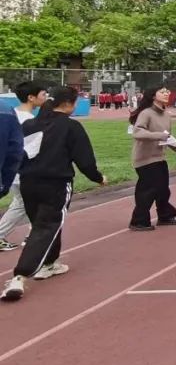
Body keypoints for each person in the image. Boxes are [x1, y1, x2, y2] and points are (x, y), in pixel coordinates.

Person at [2, 87, 108, 302]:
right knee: (45, 227)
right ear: (68, 104)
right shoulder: (71, 127)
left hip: (28, 183)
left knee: (44, 225)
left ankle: (50, 263)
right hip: (56, 183)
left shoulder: (30, 125)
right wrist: (98, 178)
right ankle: (20, 276)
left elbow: (18, 153)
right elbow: (85, 160)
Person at [129, 86, 176, 231]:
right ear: (153, 96)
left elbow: (168, 137)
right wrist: (159, 135)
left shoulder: (166, 115)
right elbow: (137, 132)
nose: (166, 93)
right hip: (145, 159)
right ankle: (138, 221)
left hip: (159, 158)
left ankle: (165, 215)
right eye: (162, 92)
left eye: (167, 91)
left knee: (163, 190)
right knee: (147, 191)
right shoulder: (146, 113)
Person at [0, 82, 48, 251]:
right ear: (31, 97)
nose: (46, 97)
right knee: (39, 203)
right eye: (43, 94)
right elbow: (29, 149)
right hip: (24, 171)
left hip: (12, 170)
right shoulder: (28, 120)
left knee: (22, 203)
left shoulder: (12, 113)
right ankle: (33, 236)